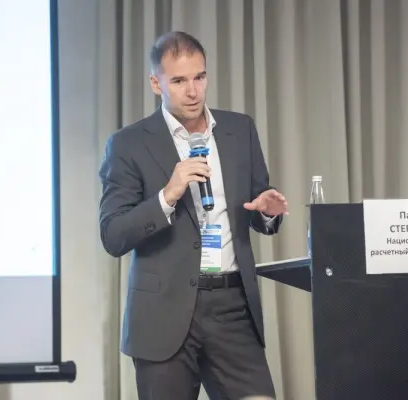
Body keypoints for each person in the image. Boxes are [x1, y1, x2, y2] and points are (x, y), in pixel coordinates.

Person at [98, 31, 288, 400]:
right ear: (156, 84)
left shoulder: (240, 129)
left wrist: (267, 211)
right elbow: (113, 234)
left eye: (199, 77)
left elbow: (255, 206)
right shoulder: (128, 144)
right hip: (163, 312)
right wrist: (167, 195)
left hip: (232, 307)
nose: (193, 91)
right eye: (179, 81)